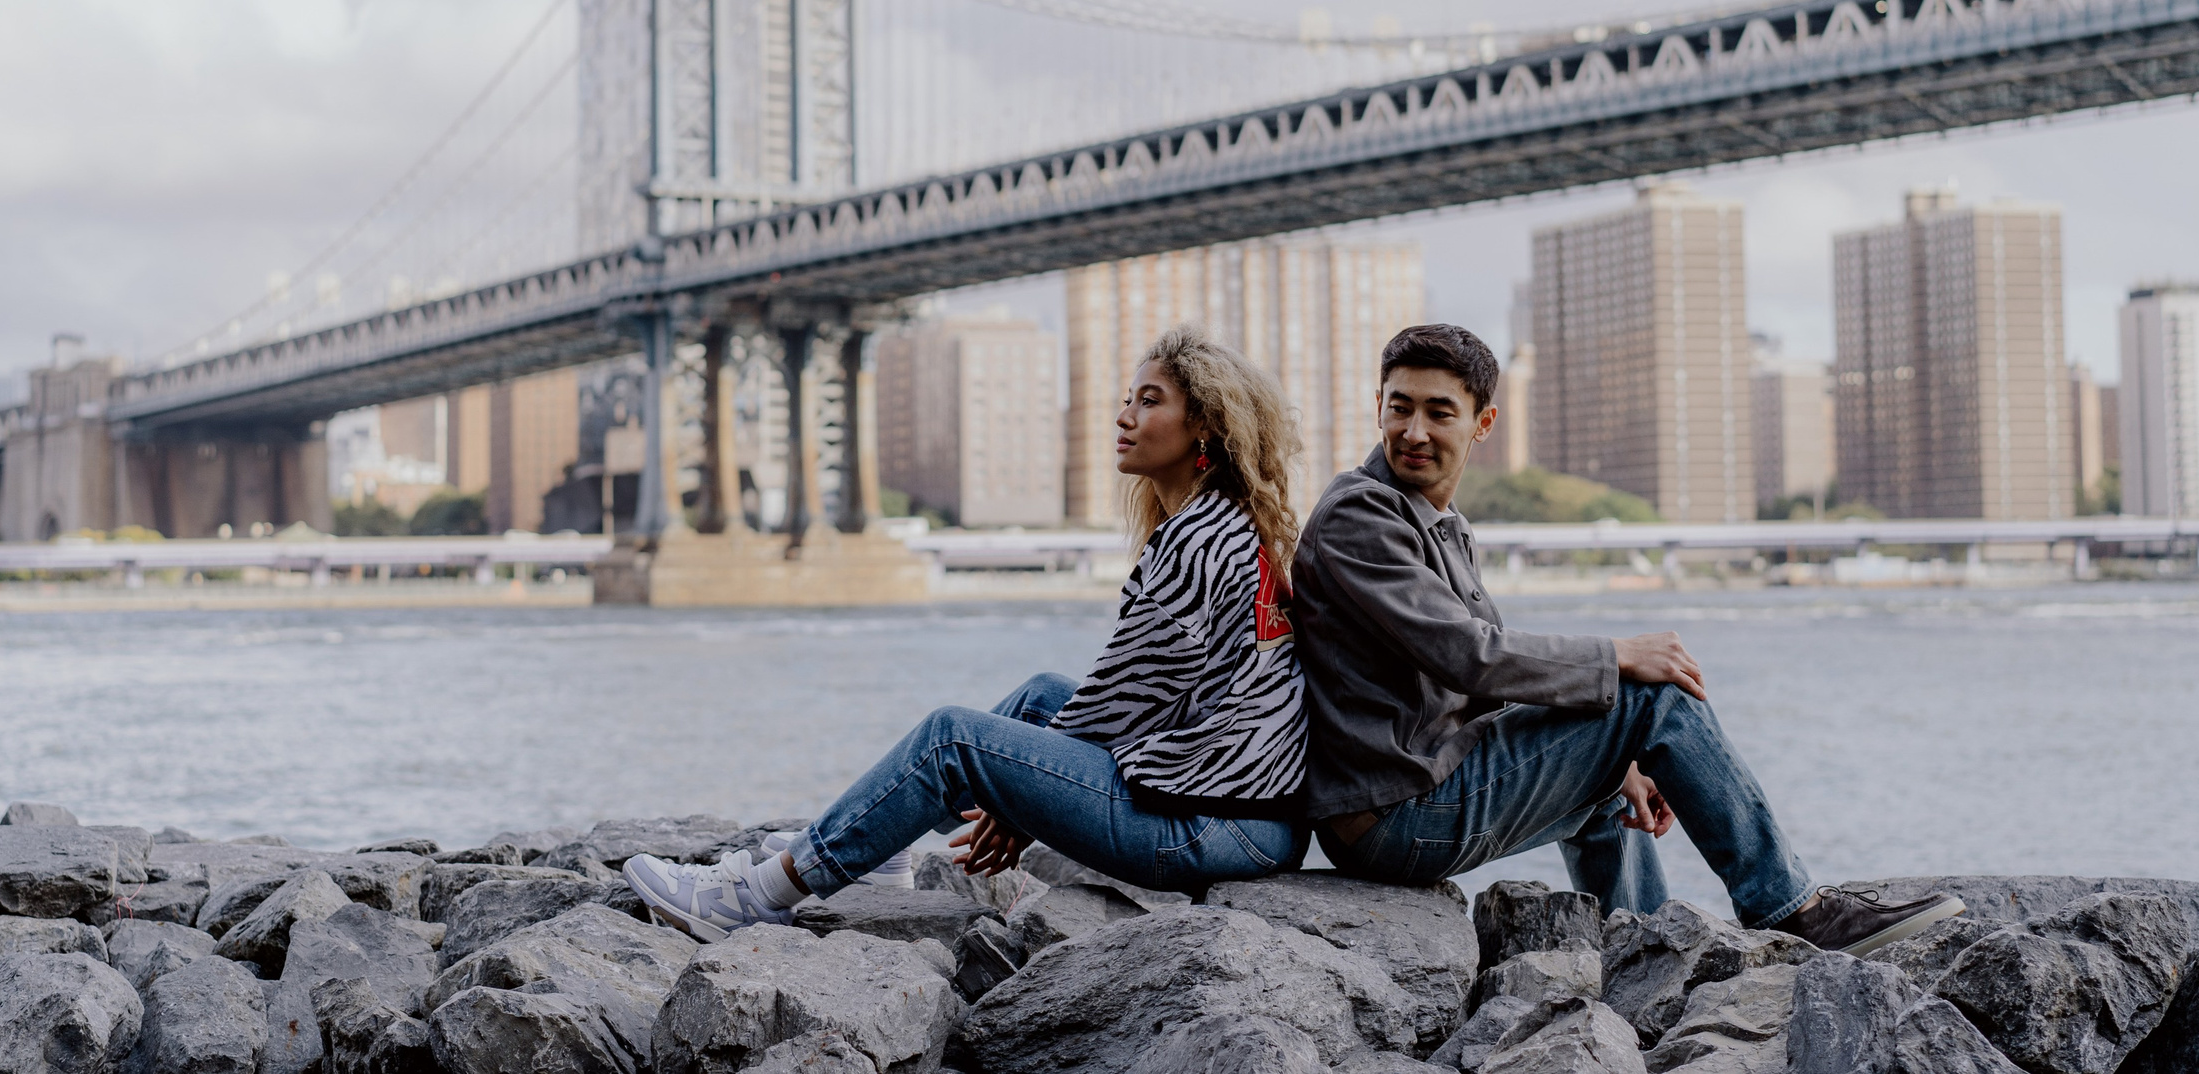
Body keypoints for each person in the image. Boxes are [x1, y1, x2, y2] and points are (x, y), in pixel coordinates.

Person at [1289, 322, 1963, 956]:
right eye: (1399, 407)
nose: (1413, 430)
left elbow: (1476, 684)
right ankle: (1791, 910)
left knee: (1618, 754)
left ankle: (1638, 958)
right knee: (1653, 698)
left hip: (1418, 793)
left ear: (1482, 423)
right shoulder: (1360, 514)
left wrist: (1619, 760)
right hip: (1393, 817)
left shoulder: (1440, 522)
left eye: (1439, 412)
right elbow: (1469, 657)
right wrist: (1616, 656)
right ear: (1377, 405)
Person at [624, 325, 1311, 939]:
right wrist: (1019, 796)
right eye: (1129, 396)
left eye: (1150, 400)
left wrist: (1013, 808)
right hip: (1241, 814)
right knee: (1045, 694)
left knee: (953, 737)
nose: (1124, 415)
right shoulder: (1224, 524)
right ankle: (879, 846)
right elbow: (1145, 703)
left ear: (1206, 428)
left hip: (1209, 827)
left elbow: (1115, 707)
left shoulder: (1198, 542)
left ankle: (754, 896)